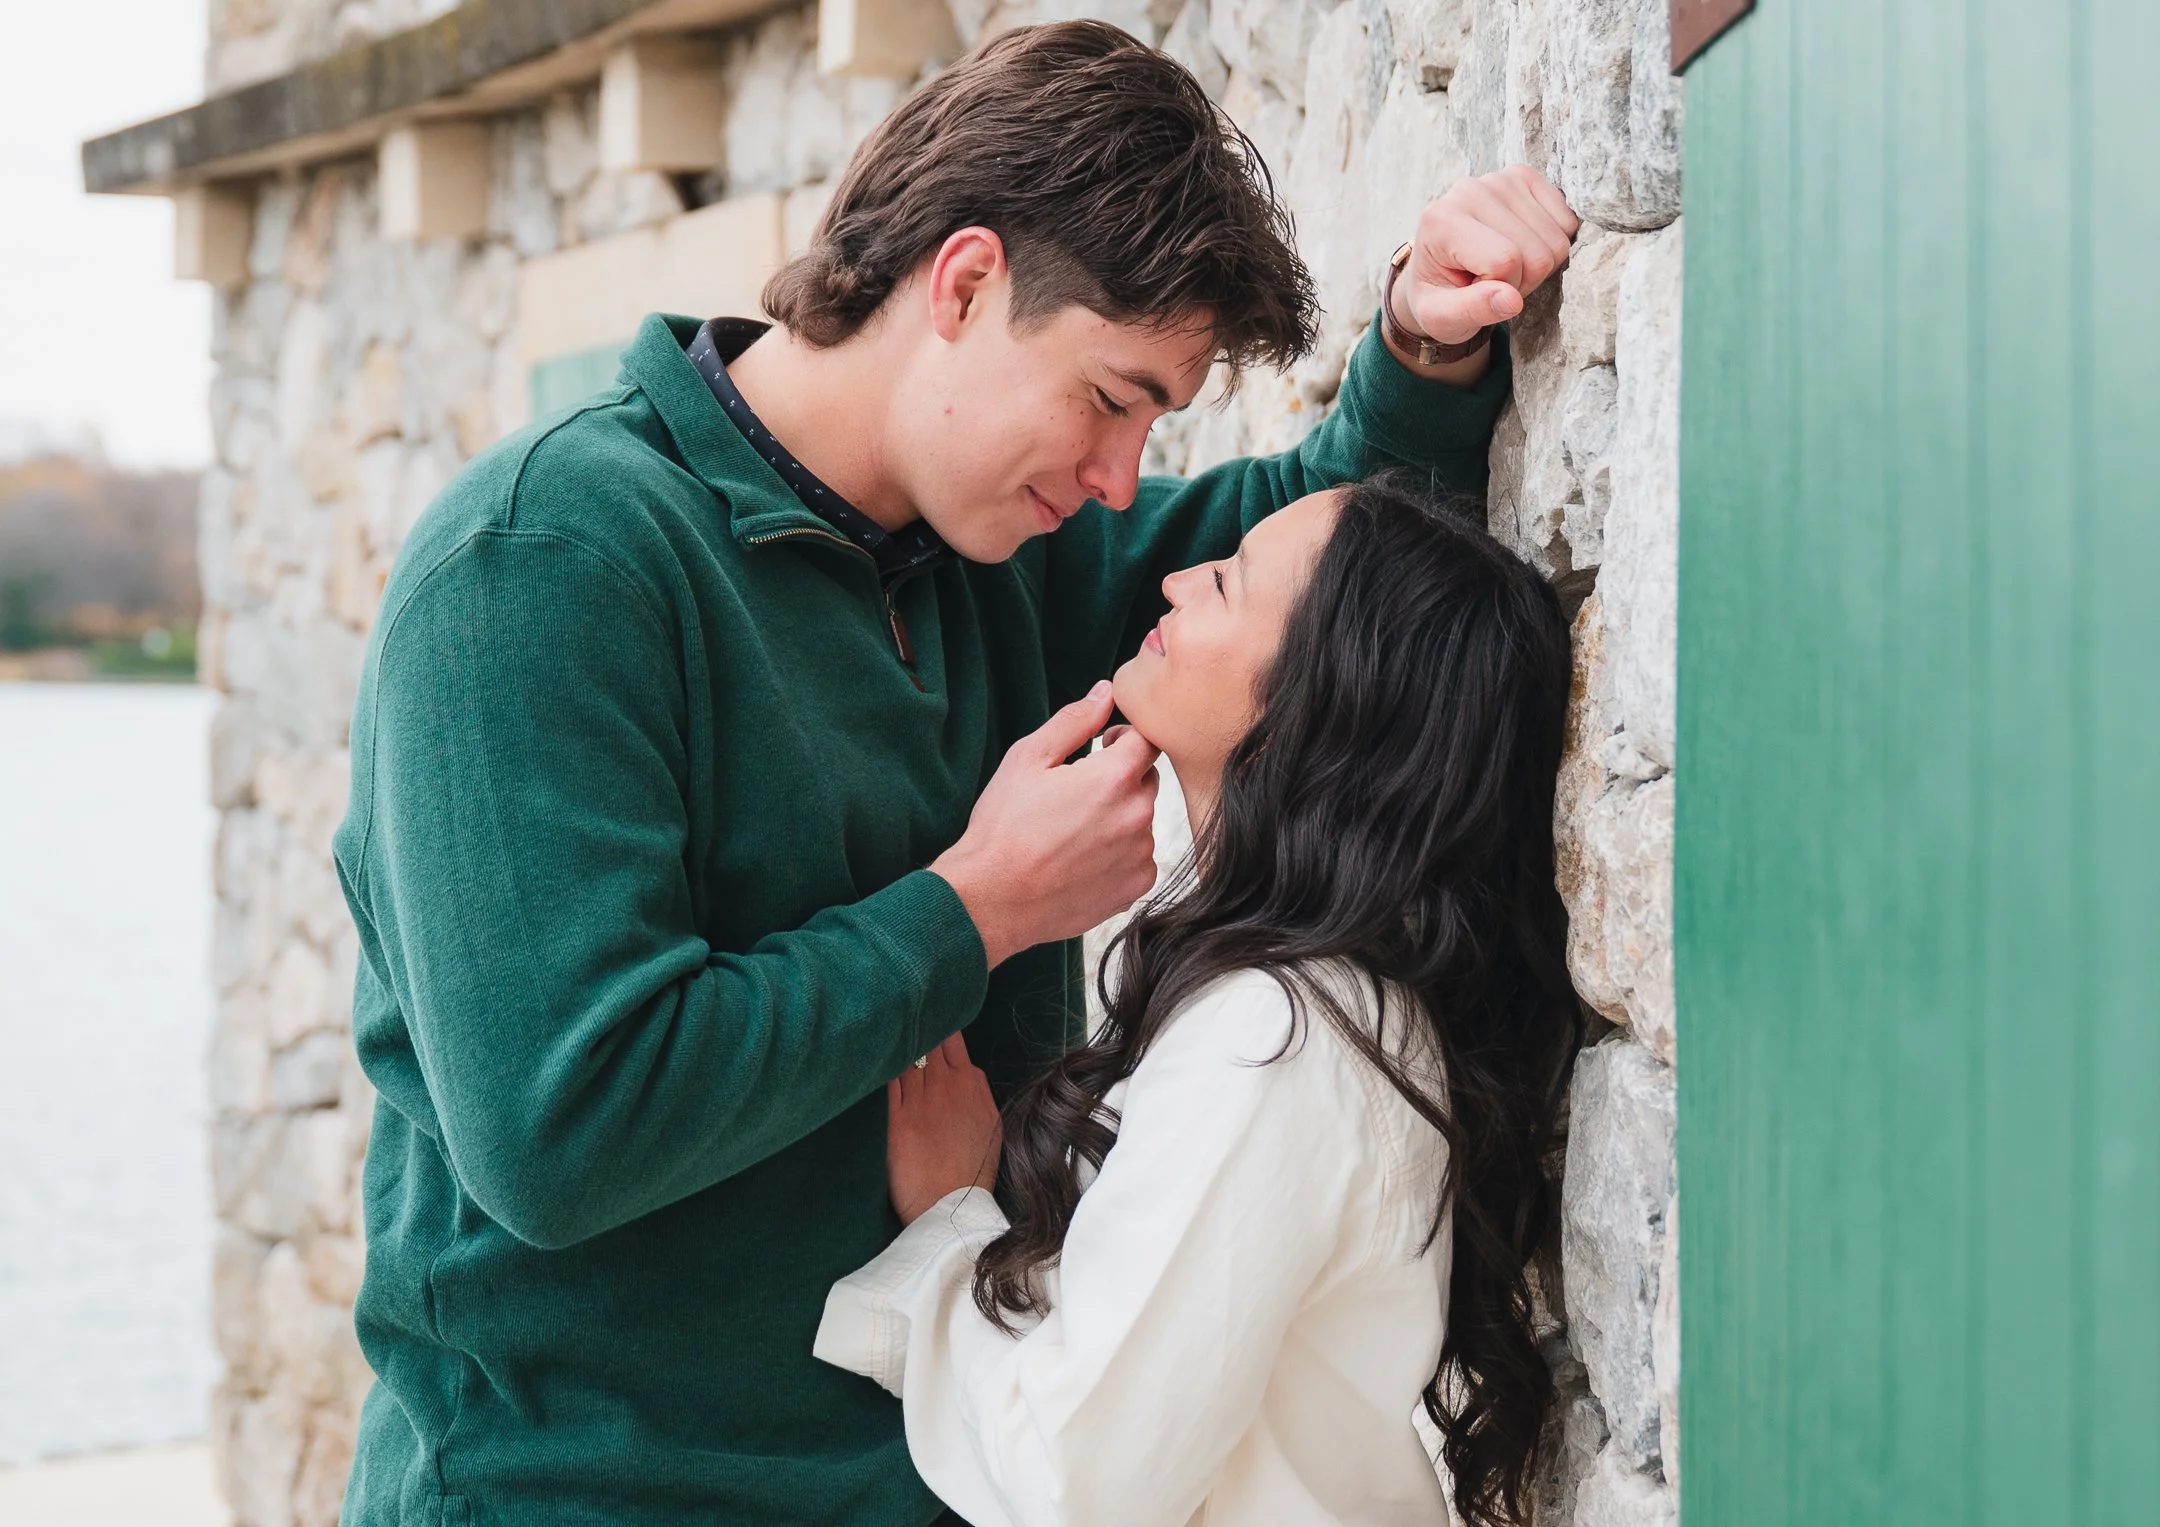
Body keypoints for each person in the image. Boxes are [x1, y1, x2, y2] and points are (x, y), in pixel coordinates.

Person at [332, 17, 1579, 1525]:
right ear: (967, 281)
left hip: (926, 1480)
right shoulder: (539, 565)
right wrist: (972, 911)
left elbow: (1324, 616)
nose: (1123, 478)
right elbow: (558, 1128)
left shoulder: (994, 556)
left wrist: (1427, 349)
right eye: (1112, 400)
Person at [816, 477, 1586, 1527]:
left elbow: (1078, 1481)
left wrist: (951, 1232)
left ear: (1322, 700)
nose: (1175, 580)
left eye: (1224, 582)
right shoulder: (1303, 1004)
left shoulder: (1276, 1037)